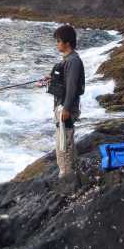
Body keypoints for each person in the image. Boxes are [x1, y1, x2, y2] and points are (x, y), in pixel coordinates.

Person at [38, 25, 85, 187]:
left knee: (63, 145)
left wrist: (66, 108)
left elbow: (72, 87)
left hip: (66, 108)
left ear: (67, 43)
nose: (57, 44)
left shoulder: (73, 61)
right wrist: (50, 78)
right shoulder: (68, 60)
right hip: (62, 106)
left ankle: (66, 178)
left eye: (58, 41)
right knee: (65, 142)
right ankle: (72, 174)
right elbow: (64, 81)